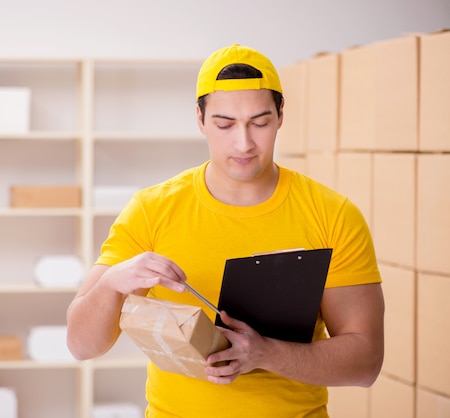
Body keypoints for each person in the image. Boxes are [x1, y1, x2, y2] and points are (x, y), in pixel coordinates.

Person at [66, 44, 384, 417]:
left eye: (259, 122)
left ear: (281, 115)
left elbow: (365, 362)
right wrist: (112, 285)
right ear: (200, 120)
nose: (244, 143)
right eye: (224, 124)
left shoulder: (333, 215)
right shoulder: (151, 210)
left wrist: (266, 353)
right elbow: (80, 346)